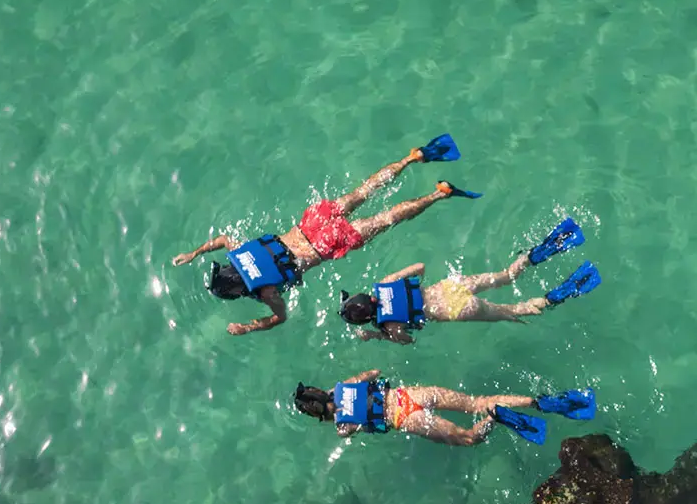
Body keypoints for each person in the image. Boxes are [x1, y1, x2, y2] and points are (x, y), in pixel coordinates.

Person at [170, 134, 478, 335]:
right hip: (313, 221)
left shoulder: (266, 291)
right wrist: (194, 253)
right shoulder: (239, 252)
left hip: (323, 245)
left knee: (385, 218)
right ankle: (413, 158)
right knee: (364, 191)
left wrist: (248, 327)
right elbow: (223, 239)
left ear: (238, 290)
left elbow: (280, 317)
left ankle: (439, 194)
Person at [340, 219, 600, 343]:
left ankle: (556, 296)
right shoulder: (385, 283)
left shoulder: (390, 325)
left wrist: (375, 335)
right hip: (452, 286)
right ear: (367, 296)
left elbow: (409, 340)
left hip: (455, 309)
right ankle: (540, 252)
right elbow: (419, 267)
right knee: (507, 275)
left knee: (514, 312)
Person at [293, 371, 596, 447]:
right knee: (477, 402)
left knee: (469, 438)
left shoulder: (341, 427)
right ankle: (540, 402)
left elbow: (352, 429)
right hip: (410, 395)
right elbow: (374, 373)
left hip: (405, 418)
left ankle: (495, 418)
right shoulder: (344, 385)